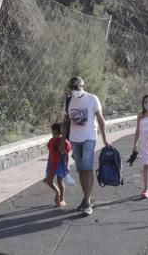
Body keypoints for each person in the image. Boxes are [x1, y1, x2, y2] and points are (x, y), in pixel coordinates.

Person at [61, 75, 108, 216]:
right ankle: (87, 197)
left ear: (83, 86)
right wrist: (63, 140)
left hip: (89, 138)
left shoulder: (92, 99)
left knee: (87, 168)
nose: (75, 90)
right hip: (75, 139)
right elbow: (66, 121)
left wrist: (105, 139)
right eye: (72, 88)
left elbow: (100, 119)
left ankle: (87, 202)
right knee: (81, 170)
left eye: (77, 87)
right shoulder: (69, 100)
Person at [44, 122, 71, 207]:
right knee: (49, 180)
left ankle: (62, 199)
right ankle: (57, 191)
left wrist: (67, 164)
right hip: (52, 163)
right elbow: (50, 149)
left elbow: (67, 154)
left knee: (59, 181)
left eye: (56, 133)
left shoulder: (64, 142)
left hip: (60, 163)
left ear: (61, 133)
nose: (54, 135)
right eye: (53, 133)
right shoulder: (51, 141)